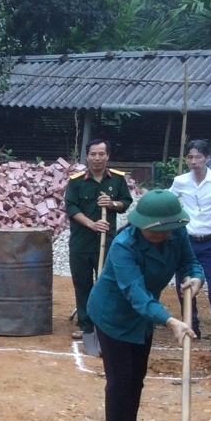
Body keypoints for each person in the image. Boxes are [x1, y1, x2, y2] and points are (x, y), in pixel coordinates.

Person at [86, 189, 203, 421]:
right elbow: (135, 293)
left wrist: (196, 278)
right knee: (120, 380)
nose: (161, 236)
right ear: (141, 224)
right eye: (155, 232)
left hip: (144, 317)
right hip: (113, 315)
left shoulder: (176, 232)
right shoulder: (123, 246)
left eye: (166, 231)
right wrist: (170, 320)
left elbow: (189, 262)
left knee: (137, 377)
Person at [64, 139, 133, 344]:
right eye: (93, 154)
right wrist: (91, 224)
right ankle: (86, 326)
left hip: (107, 242)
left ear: (107, 156)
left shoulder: (117, 179)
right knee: (83, 284)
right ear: (87, 156)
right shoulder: (76, 181)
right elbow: (72, 208)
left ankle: (106, 324)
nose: (97, 158)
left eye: (101, 154)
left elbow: (126, 203)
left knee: (106, 283)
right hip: (81, 243)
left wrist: (112, 203)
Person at [170, 139, 211, 344]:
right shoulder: (180, 181)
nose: (194, 161)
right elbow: (169, 203)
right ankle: (192, 325)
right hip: (186, 240)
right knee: (183, 285)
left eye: (198, 157)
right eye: (190, 157)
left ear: (207, 158)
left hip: (210, 241)